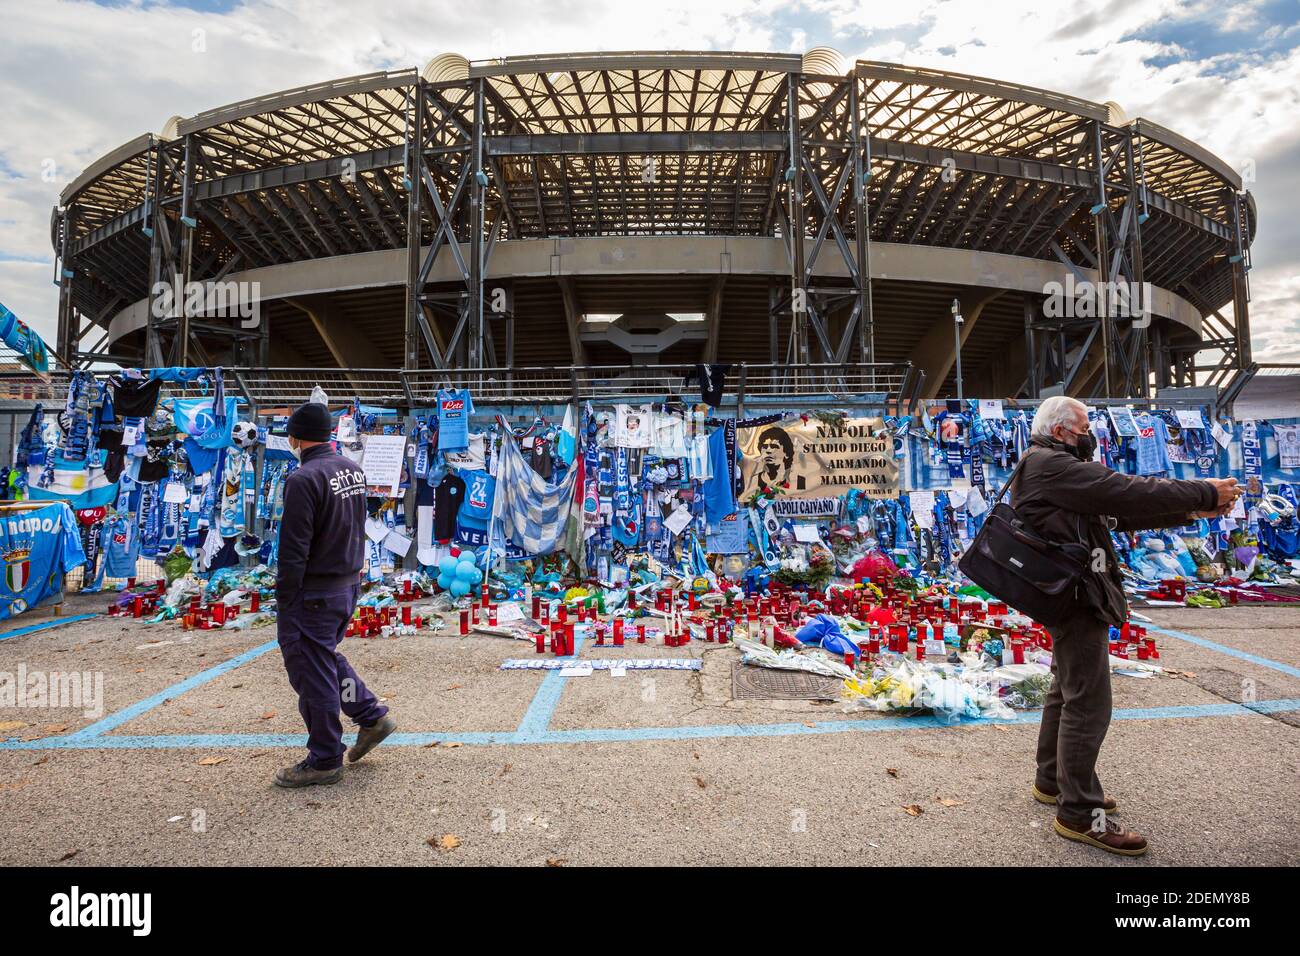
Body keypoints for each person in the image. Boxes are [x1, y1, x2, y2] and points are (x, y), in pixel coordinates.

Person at [1011, 396, 1239, 855]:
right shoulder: (1053, 465)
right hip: (1074, 597)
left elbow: (1120, 512)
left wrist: (1194, 510)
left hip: (1067, 593)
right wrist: (1204, 491)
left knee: (1067, 689)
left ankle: (1052, 781)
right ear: (1061, 430)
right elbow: (1128, 489)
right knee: (1089, 702)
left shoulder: (1052, 466)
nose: (1092, 432)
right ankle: (1079, 814)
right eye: (1085, 425)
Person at [273, 401, 396, 788]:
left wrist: (285, 597)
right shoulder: (351, 470)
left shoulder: (302, 479)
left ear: (294, 436)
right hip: (345, 585)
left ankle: (325, 758)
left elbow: (294, 550)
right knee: (323, 658)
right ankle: (371, 715)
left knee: (311, 673)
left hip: (314, 592)